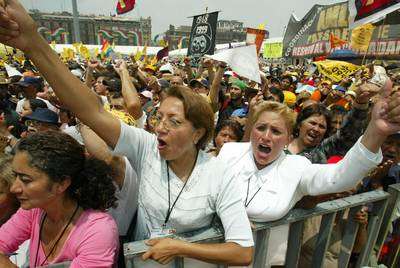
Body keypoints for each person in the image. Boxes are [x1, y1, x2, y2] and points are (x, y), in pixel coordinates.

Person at [0, 4, 254, 266]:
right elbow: (91, 110)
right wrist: (32, 42)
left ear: (197, 133)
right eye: (159, 117)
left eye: (174, 121)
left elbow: (243, 252)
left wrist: (180, 247)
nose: (160, 127)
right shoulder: (147, 149)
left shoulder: (219, 174)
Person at [217, 83, 400, 265]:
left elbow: (340, 177)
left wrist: (376, 132)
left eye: (276, 131)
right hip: (211, 257)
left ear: (288, 138)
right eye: (261, 127)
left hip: (263, 261)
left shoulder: (297, 166)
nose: (266, 136)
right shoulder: (229, 153)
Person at [0, 131, 119, 267]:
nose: (14, 188)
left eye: (25, 180)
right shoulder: (34, 210)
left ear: (62, 184)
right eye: (15, 176)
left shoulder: (99, 231)